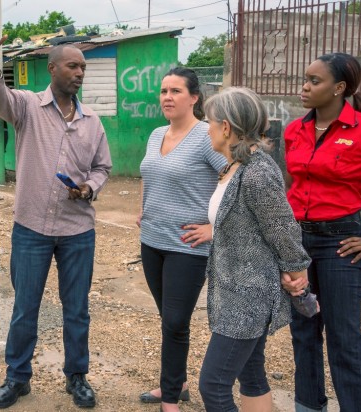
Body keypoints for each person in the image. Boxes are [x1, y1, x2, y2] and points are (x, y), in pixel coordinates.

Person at [0, 21, 112, 409]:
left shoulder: (92, 123)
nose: (79, 73)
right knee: (26, 308)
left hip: (78, 230)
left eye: (83, 67)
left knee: (77, 309)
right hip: (31, 228)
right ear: (52, 69)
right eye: (72, 66)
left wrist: (88, 188)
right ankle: (17, 378)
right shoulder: (27, 108)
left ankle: (77, 377)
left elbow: (103, 168)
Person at [198, 87, 311, 412]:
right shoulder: (234, 167)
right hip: (233, 290)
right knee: (250, 372)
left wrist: (297, 273)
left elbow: (283, 229)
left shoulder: (257, 172)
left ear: (226, 127)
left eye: (210, 122)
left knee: (214, 385)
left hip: (248, 296)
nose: (206, 129)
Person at [136, 68, 227, 411]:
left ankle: (170, 399)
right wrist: (142, 206)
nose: (167, 97)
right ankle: (178, 383)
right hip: (152, 240)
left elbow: (235, 177)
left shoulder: (207, 136)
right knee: (170, 318)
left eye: (176, 90)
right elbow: (149, 173)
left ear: (194, 98)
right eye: (163, 91)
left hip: (187, 246)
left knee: (176, 320)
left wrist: (214, 228)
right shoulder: (156, 133)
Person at [282, 52, 361, 412]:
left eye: (315, 81)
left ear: (339, 88)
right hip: (298, 242)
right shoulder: (293, 130)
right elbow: (290, 184)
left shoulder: (360, 130)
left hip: (341, 244)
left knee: (344, 339)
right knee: (303, 333)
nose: (305, 87)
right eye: (305, 78)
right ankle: (308, 405)